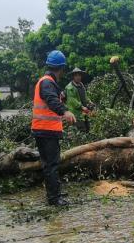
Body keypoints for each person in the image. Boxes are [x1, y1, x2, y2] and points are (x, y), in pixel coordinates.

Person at [31, 50, 76, 206]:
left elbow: (52, 97)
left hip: (45, 129)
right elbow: (50, 100)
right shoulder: (47, 82)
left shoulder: (49, 82)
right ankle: (54, 198)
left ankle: (54, 192)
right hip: (46, 130)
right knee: (52, 164)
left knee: (51, 163)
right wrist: (65, 111)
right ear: (61, 68)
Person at [64, 67, 94, 132]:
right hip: (76, 113)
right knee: (81, 130)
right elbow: (73, 101)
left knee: (88, 128)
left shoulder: (81, 85)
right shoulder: (70, 87)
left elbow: (85, 96)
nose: (78, 77)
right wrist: (82, 107)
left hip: (84, 112)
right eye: (76, 75)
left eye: (79, 75)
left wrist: (89, 101)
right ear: (73, 77)